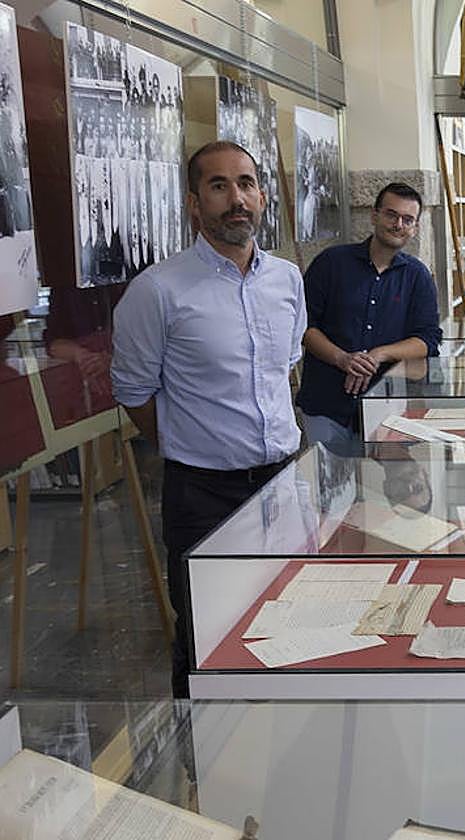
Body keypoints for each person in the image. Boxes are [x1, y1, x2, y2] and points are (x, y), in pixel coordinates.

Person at [111, 141, 306, 698]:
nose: (236, 199)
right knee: (205, 639)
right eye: (218, 186)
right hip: (203, 495)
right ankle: (198, 752)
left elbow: (285, 365)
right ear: (194, 204)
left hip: (282, 485)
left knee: (288, 624)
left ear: (262, 196)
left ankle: (273, 738)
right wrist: (191, 443)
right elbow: (134, 391)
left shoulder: (287, 280)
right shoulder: (158, 291)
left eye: (246, 184)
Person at [296, 182, 442, 454]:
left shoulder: (417, 276)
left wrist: (378, 355)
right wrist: (342, 358)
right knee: (329, 479)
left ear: (415, 227)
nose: (398, 224)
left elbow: (428, 340)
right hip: (326, 404)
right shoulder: (331, 263)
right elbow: (303, 326)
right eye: (391, 215)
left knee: (387, 481)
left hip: (386, 407)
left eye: (407, 219)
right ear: (374, 216)